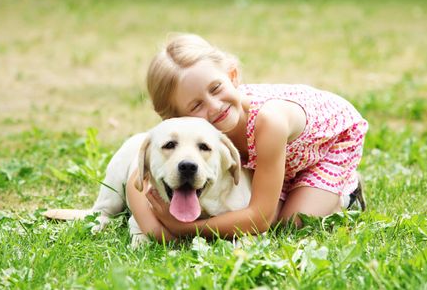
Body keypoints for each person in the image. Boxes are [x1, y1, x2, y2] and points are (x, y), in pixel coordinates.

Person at [125, 34, 368, 241]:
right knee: (261, 210)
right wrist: (157, 232)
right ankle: (291, 187)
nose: (215, 106)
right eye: (196, 105)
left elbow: (258, 219)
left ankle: (347, 192)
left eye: (216, 88)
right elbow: (135, 181)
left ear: (232, 76)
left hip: (328, 144)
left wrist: (184, 229)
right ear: (177, 117)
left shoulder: (270, 122)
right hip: (271, 157)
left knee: (287, 224)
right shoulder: (188, 135)